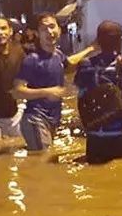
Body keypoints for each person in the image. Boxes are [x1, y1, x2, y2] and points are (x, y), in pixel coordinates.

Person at [12, 13, 96, 152]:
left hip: (52, 119)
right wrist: (47, 92)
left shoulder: (58, 54)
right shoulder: (32, 59)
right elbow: (17, 91)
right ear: (37, 34)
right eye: (44, 29)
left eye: (52, 27)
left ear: (59, 30)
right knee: (42, 158)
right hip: (35, 119)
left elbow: (69, 63)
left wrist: (90, 49)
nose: (49, 32)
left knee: (42, 159)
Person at [74, 20, 122, 164]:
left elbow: (78, 87)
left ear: (98, 41)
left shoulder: (85, 66)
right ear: (120, 40)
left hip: (96, 137)